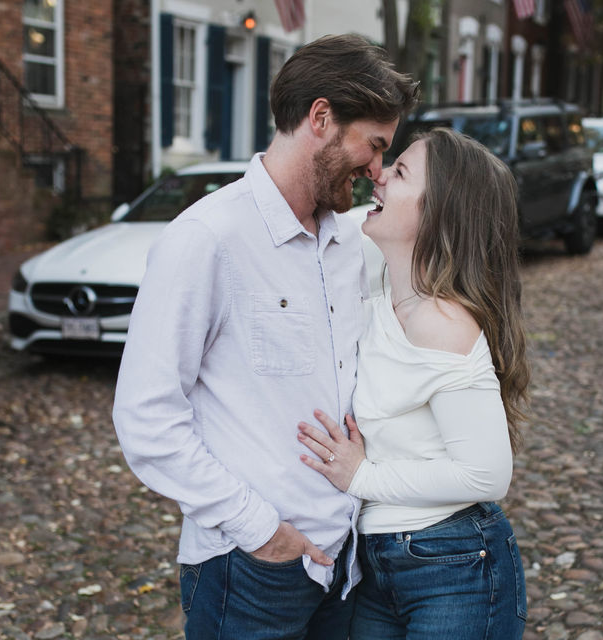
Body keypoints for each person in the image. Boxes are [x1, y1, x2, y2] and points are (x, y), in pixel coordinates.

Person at [111, 34, 418, 639]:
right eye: (375, 145)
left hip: (345, 569)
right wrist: (261, 532)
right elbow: (145, 416)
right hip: (250, 572)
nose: (377, 170)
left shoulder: (351, 243)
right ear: (321, 118)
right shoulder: (206, 238)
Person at [296, 127, 531, 639]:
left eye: (399, 172)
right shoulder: (383, 285)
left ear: (438, 212)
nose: (378, 176)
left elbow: (487, 476)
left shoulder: (442, 324)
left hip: (454, 565)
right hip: (379, 565)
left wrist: (361, 477)